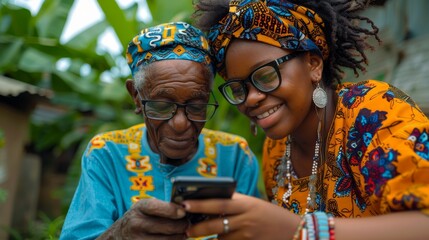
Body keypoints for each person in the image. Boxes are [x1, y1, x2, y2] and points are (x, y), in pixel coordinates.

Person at [182, 0, 429, 239]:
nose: (251, 98)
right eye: (239, 88)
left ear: (313, 65)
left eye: (266, 75)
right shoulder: (277, 152)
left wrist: (301, 230)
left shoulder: (374, 113)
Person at [60, 21, 261, 240]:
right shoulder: (107, 153)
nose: (181, 123)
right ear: (136, 97)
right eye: (162, 106)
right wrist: (120, 233)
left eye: (196, 106)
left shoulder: (234, 156)